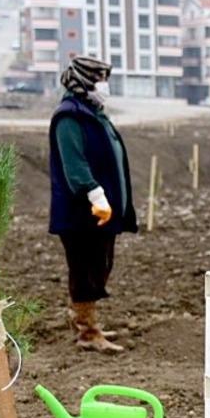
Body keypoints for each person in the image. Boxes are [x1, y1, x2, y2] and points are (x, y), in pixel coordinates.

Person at [48, 55, 136, 353]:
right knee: (85, 269)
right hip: (82, 214)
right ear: (85, 80)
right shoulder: (69, 117)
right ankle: (87, 332)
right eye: (101, 79)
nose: (105, 85)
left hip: (100, 213)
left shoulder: (91, 112)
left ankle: (86, 320)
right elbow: (74, 164)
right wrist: (96, 195)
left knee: (98, 266)